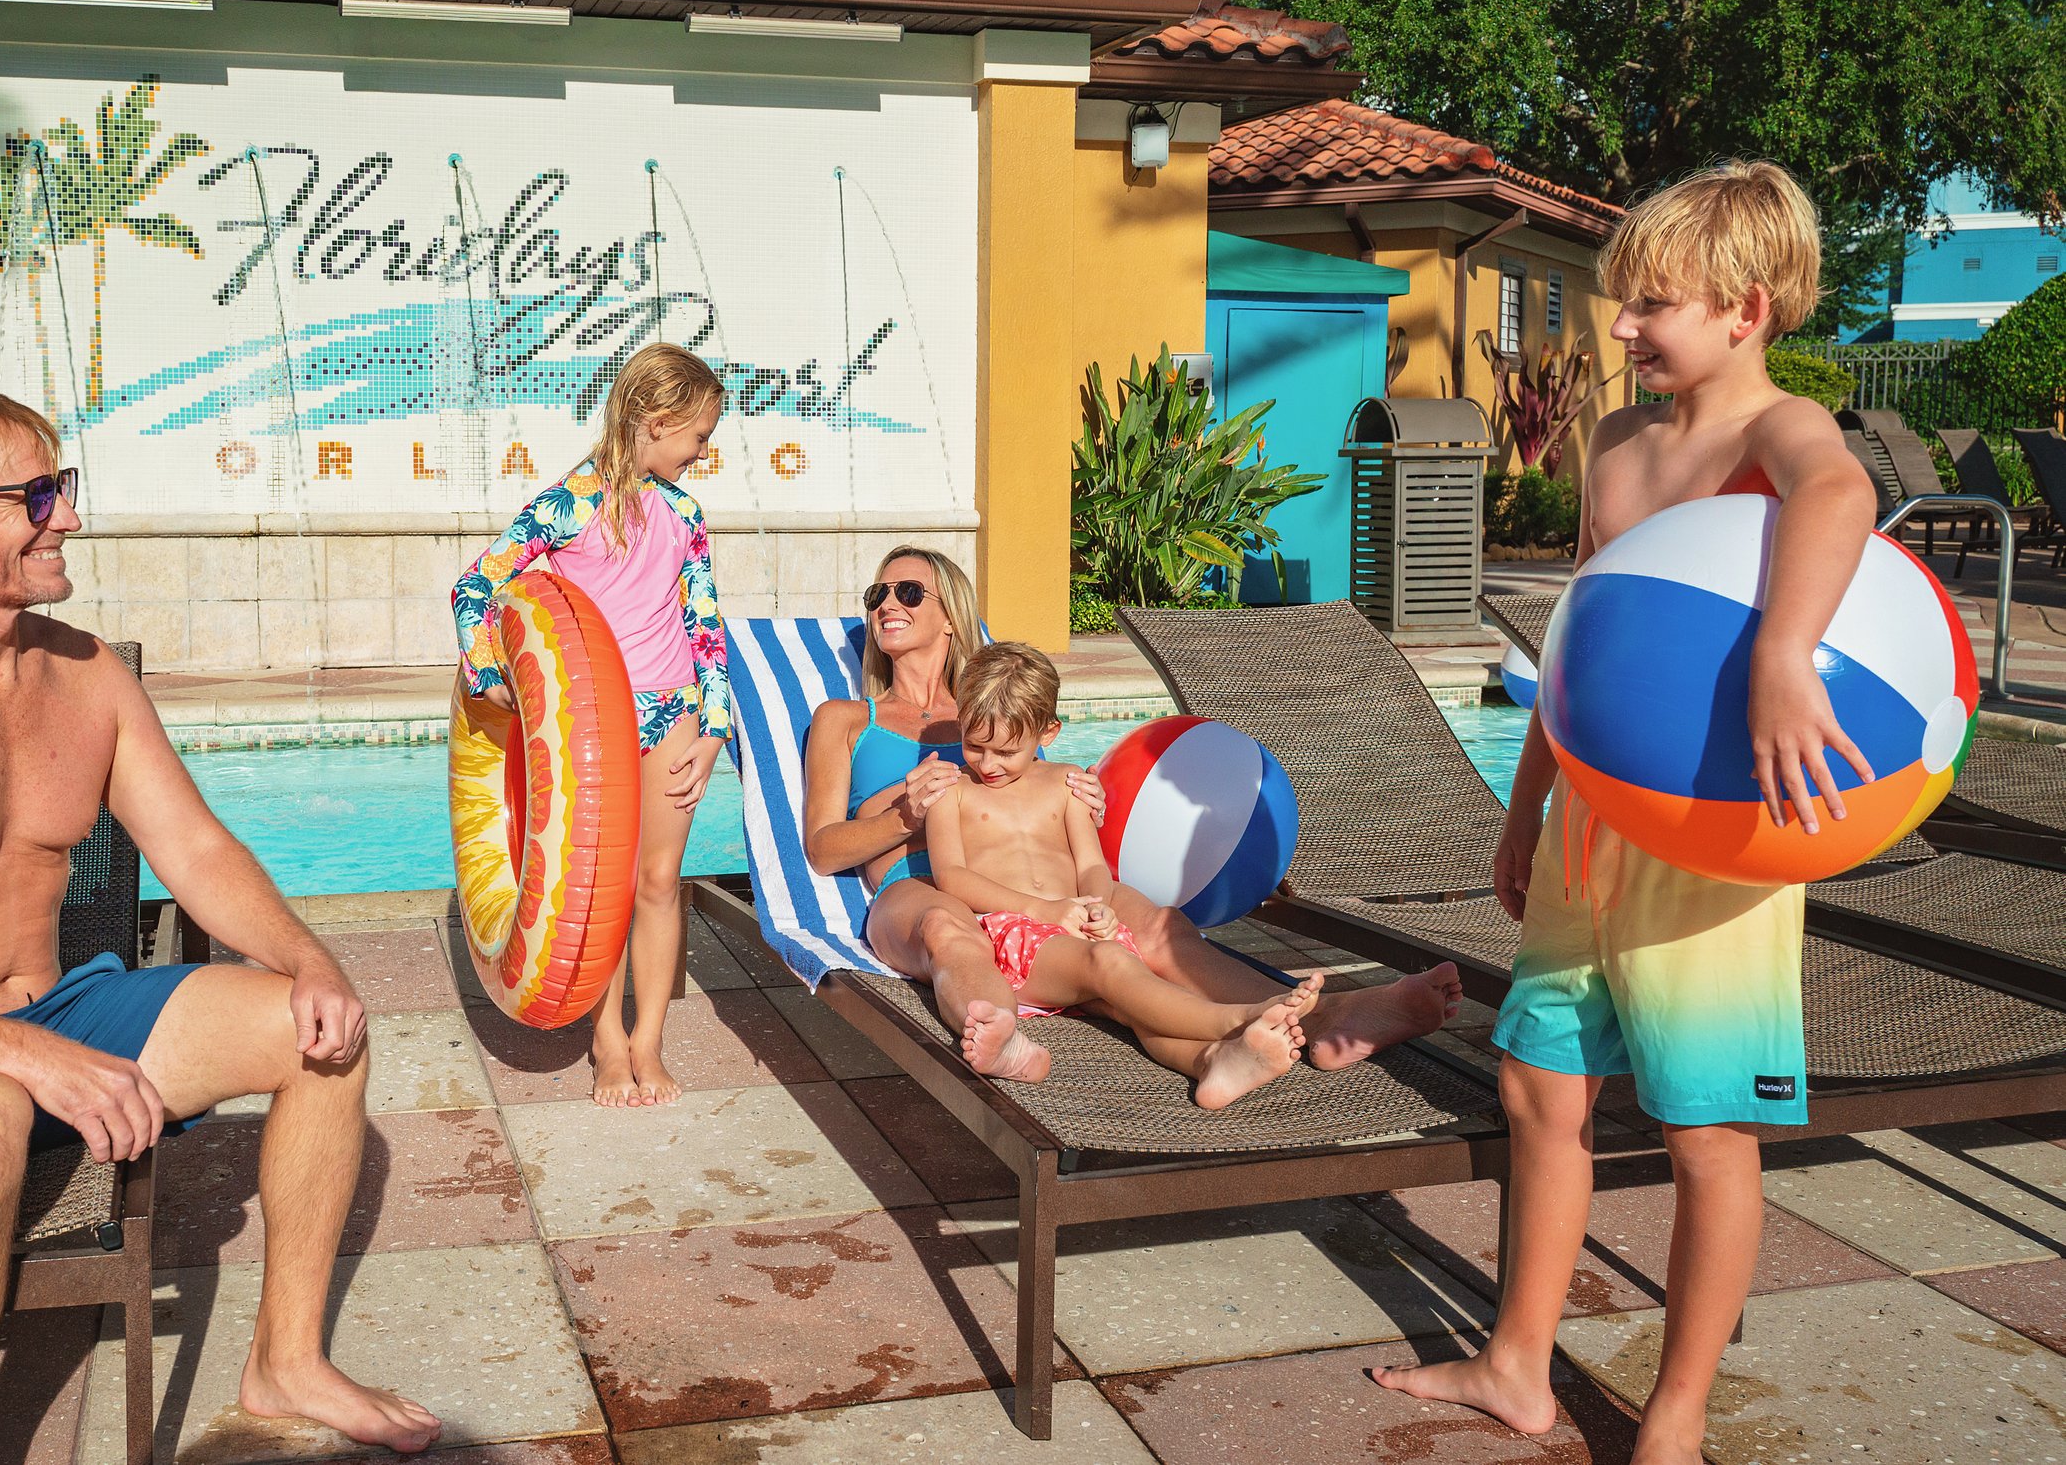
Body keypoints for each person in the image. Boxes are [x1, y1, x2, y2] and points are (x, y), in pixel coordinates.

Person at [0, 385, 437, 1465]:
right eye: (34, 493)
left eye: (60, 486)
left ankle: (287, 1359)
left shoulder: (83, 673)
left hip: (51, 1010)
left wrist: (310, 961)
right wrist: (36, 1060)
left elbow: (198, 851)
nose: (66, 514)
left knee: (322, 1032)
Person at [1374, 161, 1879, 1465]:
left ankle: (1676, 1412)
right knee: (1539, 1088)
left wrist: (1783, 651)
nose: (1622, 328)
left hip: (1711, 854)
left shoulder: (1782, 436)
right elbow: (1580, 650)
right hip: (1582, 840)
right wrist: (1522, 806)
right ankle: (1517, 1364)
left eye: (1651, 303)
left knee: (1706, 1129)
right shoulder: (1615, 446)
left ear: (1744, 308)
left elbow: (1842, 497)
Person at [800, 545, 1463, 1085]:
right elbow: (824, 847)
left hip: (1041, 888)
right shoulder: (846, 718)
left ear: (951, 613)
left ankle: (1326, 1022)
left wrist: (1094, 800)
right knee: (951, 928)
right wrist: (903, 814)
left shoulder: (992, 706)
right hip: (918, 889)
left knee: (1154, 925)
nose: (886, 604)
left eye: (907, 592)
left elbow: (1061, 804)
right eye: (876, 596)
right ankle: (996, 1028)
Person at [452, 343, 730, 1107]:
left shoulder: (683, 515)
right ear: (657, 419)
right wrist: (489, 677)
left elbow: (704, 622)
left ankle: (649, 1042)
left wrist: (714, 728)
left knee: (660, 880)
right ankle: (607, 1042)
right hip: (592, 722)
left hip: (673, 707)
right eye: (698, 436)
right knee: (603, 885)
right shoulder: (566, 505)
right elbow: (476, 586)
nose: (705, 451)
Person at [926, 642, 1321, 1107]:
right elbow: (951, 876)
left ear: (1048, 732)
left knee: (1132, 1004)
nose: (987, 764)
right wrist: (1046, 910)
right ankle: (1240, 1017)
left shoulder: (1066, 782)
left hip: (1075, 924)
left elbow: (1092, 864)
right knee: (1111, 965)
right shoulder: (952, 792)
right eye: (975, 745)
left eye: (1005, 751)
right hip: (1014, 935)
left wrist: (1095, 905)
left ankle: (1214, 1061)